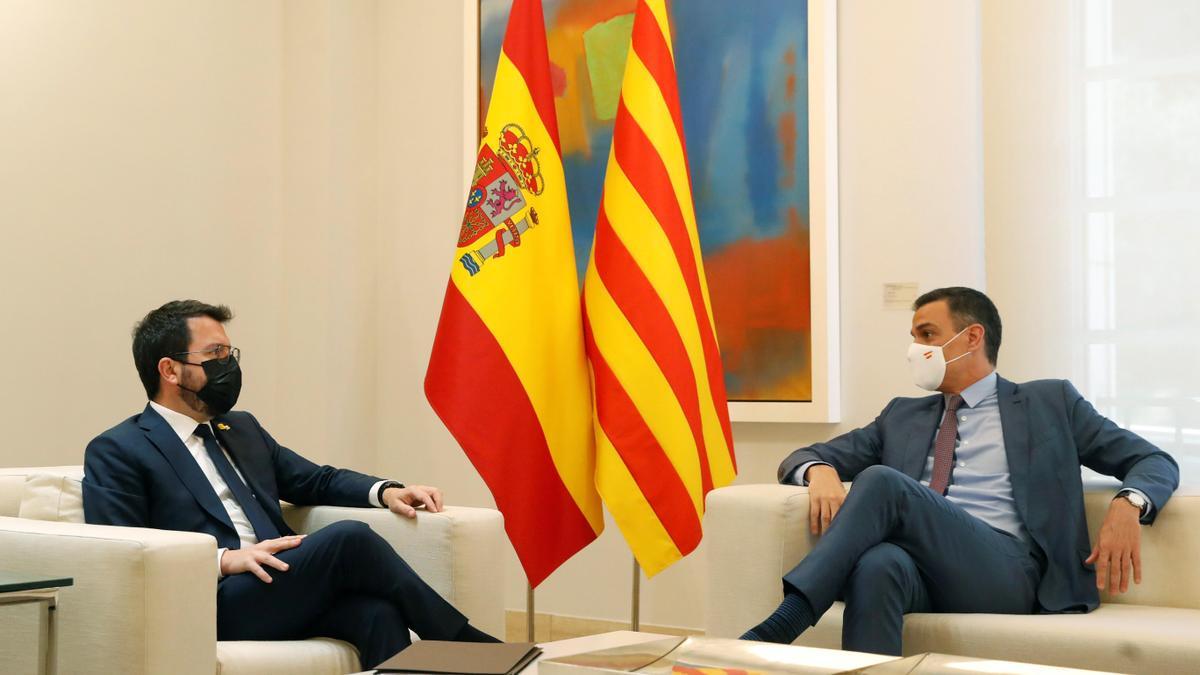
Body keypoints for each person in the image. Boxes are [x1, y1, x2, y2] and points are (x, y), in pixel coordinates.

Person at [741, 287, 1179, 655]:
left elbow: (1154, 460)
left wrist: (1129, 504)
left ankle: (786, 622)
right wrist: (819, 470)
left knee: (881, 482)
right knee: (877, 564)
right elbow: (803, 455)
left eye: (928, 334)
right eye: (914, 337)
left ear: (972, 338)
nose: (917, 349)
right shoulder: (901, 416)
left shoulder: (1051, 403)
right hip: (926, 569)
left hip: (1011, 571)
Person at [83, 300, 498, 669]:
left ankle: (461, 653)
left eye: (231, 353)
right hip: (211, 598)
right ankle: (466, 647)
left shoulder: (239, 428)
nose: (228, 365)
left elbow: (315, 480)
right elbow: (123, 551)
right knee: (350, 539)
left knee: (378, 614)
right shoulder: (119, 449)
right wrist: (224, 559)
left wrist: (386, 490)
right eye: (215, 354)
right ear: (169, 369)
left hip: (281, 583)